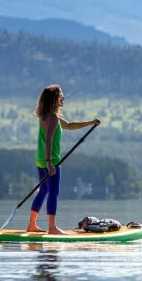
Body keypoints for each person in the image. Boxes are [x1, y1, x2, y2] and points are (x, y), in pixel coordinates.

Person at [26, 84, 100, 234]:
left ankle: (31, 225)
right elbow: (48, 141)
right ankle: (52, 228)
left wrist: (90, 123)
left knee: (43, 191)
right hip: (51, 161)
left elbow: (70, 125)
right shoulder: (53, 118)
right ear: (54, 99)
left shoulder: (46, 116)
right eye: (61, 97)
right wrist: (50, 164)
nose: (63, 99)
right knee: (53, 192)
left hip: (40, 159)